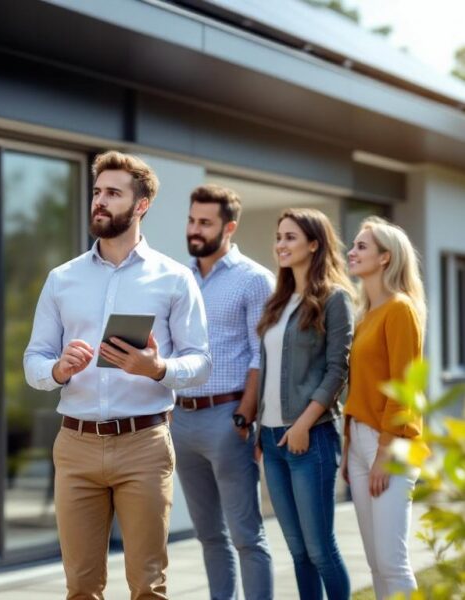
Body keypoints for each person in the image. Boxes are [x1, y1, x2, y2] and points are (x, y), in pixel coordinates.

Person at [24, 151, 212, 600]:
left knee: (148, 585)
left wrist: (158, 368)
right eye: (96, 192)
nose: (100, 202)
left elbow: (201, 361)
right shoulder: (62, 279)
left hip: (143, 445)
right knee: (81, 587)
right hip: (75, 447)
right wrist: (56, 368)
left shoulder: (173, 278)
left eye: (113, 193)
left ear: (141, 205)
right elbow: (34, 359)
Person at [171, 184, 274, 600]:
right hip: (181, 419)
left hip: (228, 416)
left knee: (246, 536)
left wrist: (243, 418)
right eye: (192, 220)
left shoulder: (254, 280)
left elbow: (259, 355)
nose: (195, 230)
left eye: (205, 223)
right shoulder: (180, 277)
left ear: (229, 227)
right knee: (209, 536)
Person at [256, 208, 354, 600]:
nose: (281, 244)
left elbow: (337, 370)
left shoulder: (335, 299)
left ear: (314, 244)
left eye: (291, 237)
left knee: (320, 549)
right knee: (297, 552)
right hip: (273, 439)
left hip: (310, 439)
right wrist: (263, 430)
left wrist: (302, 424)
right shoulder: (278, 303)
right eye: (279, 236)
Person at [342, 216, 427, 599]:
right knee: (375, 562)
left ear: (385, 258)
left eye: (362, 246)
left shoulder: (400, 309)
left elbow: (405, 386)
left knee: (393, 562)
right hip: (361, 441)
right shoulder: (365, 316)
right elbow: (359, 388)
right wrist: (350, 449)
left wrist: (384, 453)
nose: (352, 251)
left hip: (390, 446)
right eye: (354, 245)